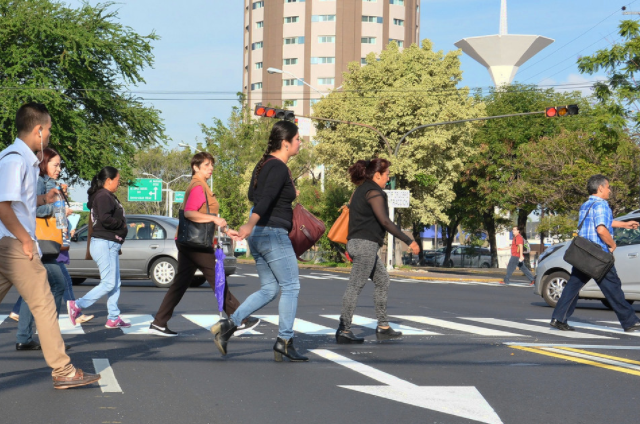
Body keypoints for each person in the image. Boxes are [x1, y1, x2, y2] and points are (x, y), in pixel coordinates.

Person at [0, 102, 100, 388]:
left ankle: (63, 371)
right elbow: (3, 207)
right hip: (14, 245)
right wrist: (25, 242)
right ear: (38, 130)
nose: (50, 135)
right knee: (44, 304)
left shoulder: (24, 160)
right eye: (50, 129)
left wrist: (44, 200)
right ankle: (63, 371)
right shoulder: (14, 159)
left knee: (43, 303)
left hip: (7, 244)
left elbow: (18, 205)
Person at [210, 120, 307, 362]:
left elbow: (253, 195)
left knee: (270, 289)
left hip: (260, 235)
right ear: (286, 143)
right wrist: (249, 224)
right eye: (297, 140)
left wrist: (253, 225)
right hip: (272, 233)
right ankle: (285, 340)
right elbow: (263, 200)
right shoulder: (278, 168)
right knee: (291, 286)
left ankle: (228, 326)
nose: (300, 143)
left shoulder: (263, 165)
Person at [149, 152, 259, 337]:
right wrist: (215, 220)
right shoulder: (198, 186)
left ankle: (159, 322)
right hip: (195, 244)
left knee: (180, 284)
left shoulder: (199, 185)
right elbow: (190, 214)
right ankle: (240, 320)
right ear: (195, 167)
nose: (211, 168)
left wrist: (225, 229)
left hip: (189, 242)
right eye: (206, 165)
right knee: (218, 279)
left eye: (212, 165)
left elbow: (203, 216)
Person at [335, 159, 420, 344]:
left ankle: (383, 326)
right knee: (354, 287)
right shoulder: (374, 192)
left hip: (360, 244)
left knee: (383, 280)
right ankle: (344, 328)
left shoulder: (361, 190)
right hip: (365, 245)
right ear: (377, 175)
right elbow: (385, 221)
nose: (388, 179)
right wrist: (409, 240)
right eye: (387, 175)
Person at [550, 174, 640, 332]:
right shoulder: (602, 205)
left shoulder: (587, 205)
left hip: (584, 253)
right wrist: (612, 244)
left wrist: (624, 225)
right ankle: (630, 321)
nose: (610, 190)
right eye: (608, 187)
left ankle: (559, 318)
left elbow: (604, 221)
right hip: (598, 254)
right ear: (600, 188)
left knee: (572, 286)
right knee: (613, 288)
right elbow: (601, 228)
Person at [13, 147, 78, 350]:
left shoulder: (50, 183)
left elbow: (54, 216)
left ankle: (24, 337)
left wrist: (61, 206)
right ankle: (50, 337)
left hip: (45, 243)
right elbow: (34, 208)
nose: (59, 169)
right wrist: (56, 206)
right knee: (57, 284)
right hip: (39, 242)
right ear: (44, 164)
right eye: (55, 164)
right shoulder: (40, 181)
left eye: (60, 165)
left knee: (32, 291)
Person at [67, 167, 131, 329]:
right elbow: (105, 219)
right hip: (105, 244)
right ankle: (77, 305)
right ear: (109, 180)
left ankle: (113, 317)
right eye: (117, 180)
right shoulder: (103, 196)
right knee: (109, 283)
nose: (119, 183)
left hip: (108, 244)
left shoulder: (105, 195)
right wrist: (122, 224)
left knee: (115, 283)